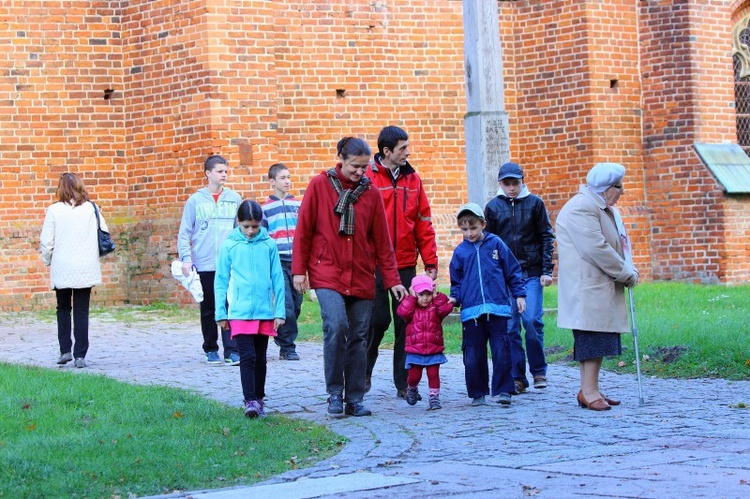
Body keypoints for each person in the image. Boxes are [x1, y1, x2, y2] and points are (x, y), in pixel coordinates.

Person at [292, 137, 407, 417]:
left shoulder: (371, 193)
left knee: (359, 334)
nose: (360, 172)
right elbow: (304, 230)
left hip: (362, 274)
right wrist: (299, 270)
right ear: (341, 159)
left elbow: (382, 242)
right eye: (355, 166)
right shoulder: (319, 186)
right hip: (327, 270)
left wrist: (393, 280)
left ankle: (354, 398)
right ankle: (334, 393)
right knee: (336, 325)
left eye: (364, 167)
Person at [555, 162, 639, 411]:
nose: (621, 191)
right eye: (619, 186)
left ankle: (590, 389)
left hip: (598, 285)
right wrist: (625, 273)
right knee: (593, 337)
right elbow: (596, 249)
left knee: (598, 337)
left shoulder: (598, 206)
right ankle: (589, 391)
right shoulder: (582, 208)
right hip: (587, 288)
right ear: (605, 187)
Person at [365, 125, 439, 399]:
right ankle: (363, 375)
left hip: (406, 263)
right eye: (402, 148)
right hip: (373, 265)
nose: (408, 152)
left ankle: (404, 383)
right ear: (387, 151)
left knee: (407, 323)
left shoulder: (414, 180)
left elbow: (424, 224)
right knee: (376, 321)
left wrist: (430, 262)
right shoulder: (368, 177)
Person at [484, 162, 555, 394]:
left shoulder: (535, 204)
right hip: (505, 277)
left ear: (523, 181)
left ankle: (539, 370)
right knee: (511, 327)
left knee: (532, 321)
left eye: (515, 183)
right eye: (507, 183)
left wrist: (547, 269)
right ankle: (517, 377)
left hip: (531, 272)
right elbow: (488, 243)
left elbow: (546, 236)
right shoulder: (493, 207)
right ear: (500, 184)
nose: (512, 188)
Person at [449, 203, 526, 406]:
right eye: (464, 229)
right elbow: (456, 281)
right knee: (473, 353)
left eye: (473, 228)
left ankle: (504, 390)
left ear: (483, 224)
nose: (469, 233)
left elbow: (512, 270)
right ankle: (477, 392)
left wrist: (519, 294)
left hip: (497, 308)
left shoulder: (496, 244)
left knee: (502, 350)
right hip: (472, 312)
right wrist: (454, 298)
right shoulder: (460, 252)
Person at [215, 200, 286, 418]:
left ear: (260, 224)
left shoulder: (269, 245)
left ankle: (259, 397)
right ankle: (250, 401)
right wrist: (221, 312)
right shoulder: (230, 245)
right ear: (238, 222)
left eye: (254, 226)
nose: (250, 231)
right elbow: (221, 280)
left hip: (264, 311)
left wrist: (279, 311)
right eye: (246, 226)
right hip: (240, 312)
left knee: (261, 357)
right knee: (247, 356)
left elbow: (278, 279)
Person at [177, 154, 242, 366]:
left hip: (228, 264)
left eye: (226, 171)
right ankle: (210, 348)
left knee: (228, 306)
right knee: (208, 308)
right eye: (220, 171)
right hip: (204, 263)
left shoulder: (234, 199)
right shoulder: (195, 201)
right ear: (208, 173)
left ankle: (231, 350)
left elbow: (240, 231)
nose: (224, 175)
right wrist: (187, 259)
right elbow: (184, 233)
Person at [40, 172, 108, 368]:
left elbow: (46, 242)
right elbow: (104, 232)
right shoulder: (91, 208)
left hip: (62, 266)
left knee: (62, 308)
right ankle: (80, 356)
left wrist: (48, 261)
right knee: (81, 311)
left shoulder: (53, 210)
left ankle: (64, 351)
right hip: (85, 266)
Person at [396, 274, 456, 410]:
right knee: (414, 376)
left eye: (428, 294)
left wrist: (437, 296)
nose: (425, 298)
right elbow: (402, 312)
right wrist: (411, 297)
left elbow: (445, 309)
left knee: (433, 375)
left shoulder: (435, 307)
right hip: (415, 350)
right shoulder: (411, 308)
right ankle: (412, 388)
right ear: (415, 294)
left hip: (433, 349)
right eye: (421, 294)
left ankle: (434, 398)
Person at [262, 163, 303, 361]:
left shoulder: (298, 205)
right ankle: (288, 347)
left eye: (289, 177)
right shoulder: (266, 208)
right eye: (282, 178)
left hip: (297, 261)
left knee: (296, 304)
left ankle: (280, 334)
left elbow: (305, 233)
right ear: (272, 182)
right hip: (278, 261)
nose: (287, 181)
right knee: (285, 303)